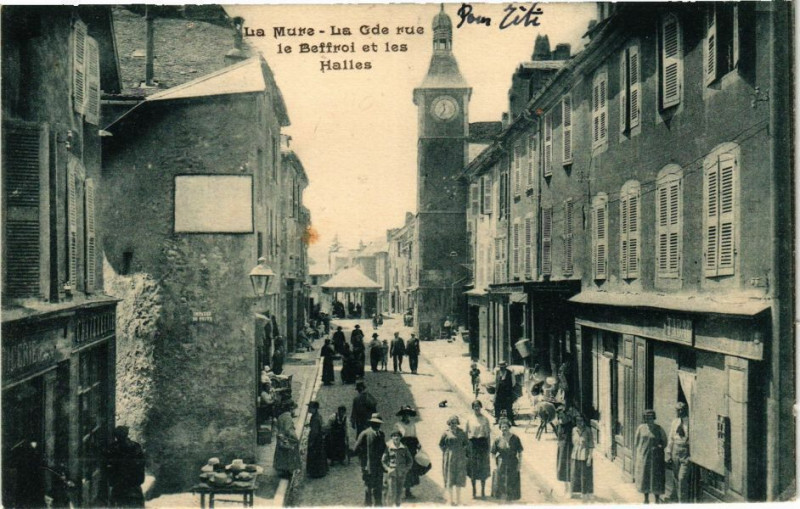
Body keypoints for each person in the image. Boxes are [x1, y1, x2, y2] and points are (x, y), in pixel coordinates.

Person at [634, 409, 667, 503]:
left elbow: (665, 441)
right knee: (645, 477)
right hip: (644, 457)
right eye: (647, 417)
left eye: (650, 417)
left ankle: (657, 499)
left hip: (656, 458)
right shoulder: (641, 428)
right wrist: (640, 454)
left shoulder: (659, 428)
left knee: (656, 478)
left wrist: (659, 447)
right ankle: (646, 498)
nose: (649, 419)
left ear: (654, 418)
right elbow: (636, 442)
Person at [107, 426, 145, 508]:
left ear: (116, 436)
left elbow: (110, 466)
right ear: (127, 434)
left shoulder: (113, 448)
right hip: (133, 484)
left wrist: (111, 481)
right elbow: (141, 464)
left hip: (119, 484)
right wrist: (139, 480)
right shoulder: (136, 446)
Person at [354, 413, 387, 506]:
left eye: (378, 423)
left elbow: (384, 448)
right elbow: (356, 449)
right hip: (368, 467)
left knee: (379, 488)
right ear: (371, 423)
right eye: (375, 423)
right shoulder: (365, 434)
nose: (377, 425)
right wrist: (363, 463)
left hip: (379, 467)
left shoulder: (381, 434)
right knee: (368, 488)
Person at [491, 417, 523, 502]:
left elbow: (520, 452)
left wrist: (519, 464)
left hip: (513, 462)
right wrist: (494, 465)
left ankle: (510, 500)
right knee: (501, 481)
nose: (504, 429)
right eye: (502, 427)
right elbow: (493, 453)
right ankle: (502, 500)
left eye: (506, 427)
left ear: (509, 427)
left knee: (512, 480)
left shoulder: (515, 438)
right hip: (501, 462)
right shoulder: (497, 439)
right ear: (500, 428)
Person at [439, 415, 469, 506]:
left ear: (457, 423)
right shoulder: (446, 433)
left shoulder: (462, 433)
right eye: (452, 423)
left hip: (460, 458)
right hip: (449, 458)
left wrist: (462, 452)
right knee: (450, 478)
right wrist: (447, 452)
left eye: (455, 423)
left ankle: (458, 500)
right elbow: (441, 444)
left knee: (459, 478)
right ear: (449, 423)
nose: (453, 424)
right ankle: (450, 500)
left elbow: (466, 443)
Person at [666, 402, 692, 503]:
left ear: (686, 410)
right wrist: (668, 453)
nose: (680, 412)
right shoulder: (675, 422)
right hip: (675, 451)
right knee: (676, 478)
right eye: (678, 410)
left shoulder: (690, 422)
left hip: (686, 452)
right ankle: (677, 500)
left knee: (682, 479)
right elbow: (671, 438)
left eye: (682, 409)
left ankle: (682, 503)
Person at [465, 400, 491, 499]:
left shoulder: (485, 419)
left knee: (483, 467)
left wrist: (489, 448)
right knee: (473, 468)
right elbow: (466, 434)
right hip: (472, 445)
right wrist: (466, 448)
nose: (476, 408)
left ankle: (483, 491)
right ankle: (474, 491)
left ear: (481, 407)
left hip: (483, 444)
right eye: (475, 406)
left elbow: (488, 435)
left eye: (478, 406)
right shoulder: (469, 419)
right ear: (472, 408)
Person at [382, 429, 414, 507]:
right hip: (392, 473)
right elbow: (383, 460)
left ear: (400, 438)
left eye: (398, 436)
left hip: (401, 473)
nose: (396, 438)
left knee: (399, 493)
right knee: (392, 493)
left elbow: (410, 460)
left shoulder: (404, 448)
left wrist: (406, 469)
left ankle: (397, 506)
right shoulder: (389, 447)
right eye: (394, 436)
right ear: (392, 438)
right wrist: (388, 469)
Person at [555, 403, 581, 495]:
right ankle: (566, 488)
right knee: (563, 465)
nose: (560, 419)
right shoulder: (561, 413)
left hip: (569, 442)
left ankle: (571, 489)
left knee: (569, 464)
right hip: (563, 442)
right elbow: (559, 425)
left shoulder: (572, 412)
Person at [395, 406, 420, 498]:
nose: (406, 416)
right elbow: (395, 437)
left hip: (412, 448)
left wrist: (418, 444)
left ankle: (408, 491)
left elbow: (415, 436)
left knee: (410, 469)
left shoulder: (412, 425)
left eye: (408, 414)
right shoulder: (398, 425)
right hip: (402, 448)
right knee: (401, 469)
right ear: (402, 415)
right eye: (405, 414)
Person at [274, 401, 302, 478]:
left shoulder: (281, 416)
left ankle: (282, 470)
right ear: (291, 409)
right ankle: (287, 471)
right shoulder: (288, 417)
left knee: (282, 454)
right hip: (286, 438)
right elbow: (288, 429)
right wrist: (294, 438)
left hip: (280, 437)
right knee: (288, 455)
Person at [570, 414, 594, 500]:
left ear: (584, 421)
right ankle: (575, 492)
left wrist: (589, 458)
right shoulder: (574, 430)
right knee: (574, 474)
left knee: (585, 475)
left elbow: (591, 445)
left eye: (581, 421)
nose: (579, 423)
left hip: (585, 456)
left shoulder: (588, 430)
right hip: (575, 455)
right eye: (577, 421)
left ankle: (585, 493)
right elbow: (573, 442)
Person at [306, 401, 329, 479]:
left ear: (314, 409)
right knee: (320, 455)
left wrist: (311, 441)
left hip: (316, 440)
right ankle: (321, 471)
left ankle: (316, 472)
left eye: (310, 408)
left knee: (315, 455)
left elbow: (314, 432)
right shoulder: (318, 416)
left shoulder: (315, 418)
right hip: (319, 439)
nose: (309, 409)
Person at [494, 361, 515, 426]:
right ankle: (497, 419)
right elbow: (496, 381)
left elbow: (513, 382)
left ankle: (511, 421)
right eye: (500, 367)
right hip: (499, 392)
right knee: (496, 405)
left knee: (509, 407)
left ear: (505, 367)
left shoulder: (509, 373)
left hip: (507, 393)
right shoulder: (497, 372)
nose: (501, 368)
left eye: (503, 367)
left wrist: (508, 388)